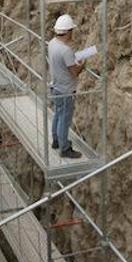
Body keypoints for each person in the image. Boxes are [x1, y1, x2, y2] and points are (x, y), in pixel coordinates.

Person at [48, 14, 84, 159]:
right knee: (64, 118)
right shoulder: (65, 50)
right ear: (68, 31)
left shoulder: (51, 43)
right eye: (72, 31)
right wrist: (83, 64)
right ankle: (65, 148)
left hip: (55, 87)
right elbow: (75, 72)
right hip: (66, 89)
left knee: (58, 114)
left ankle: (56, 141)